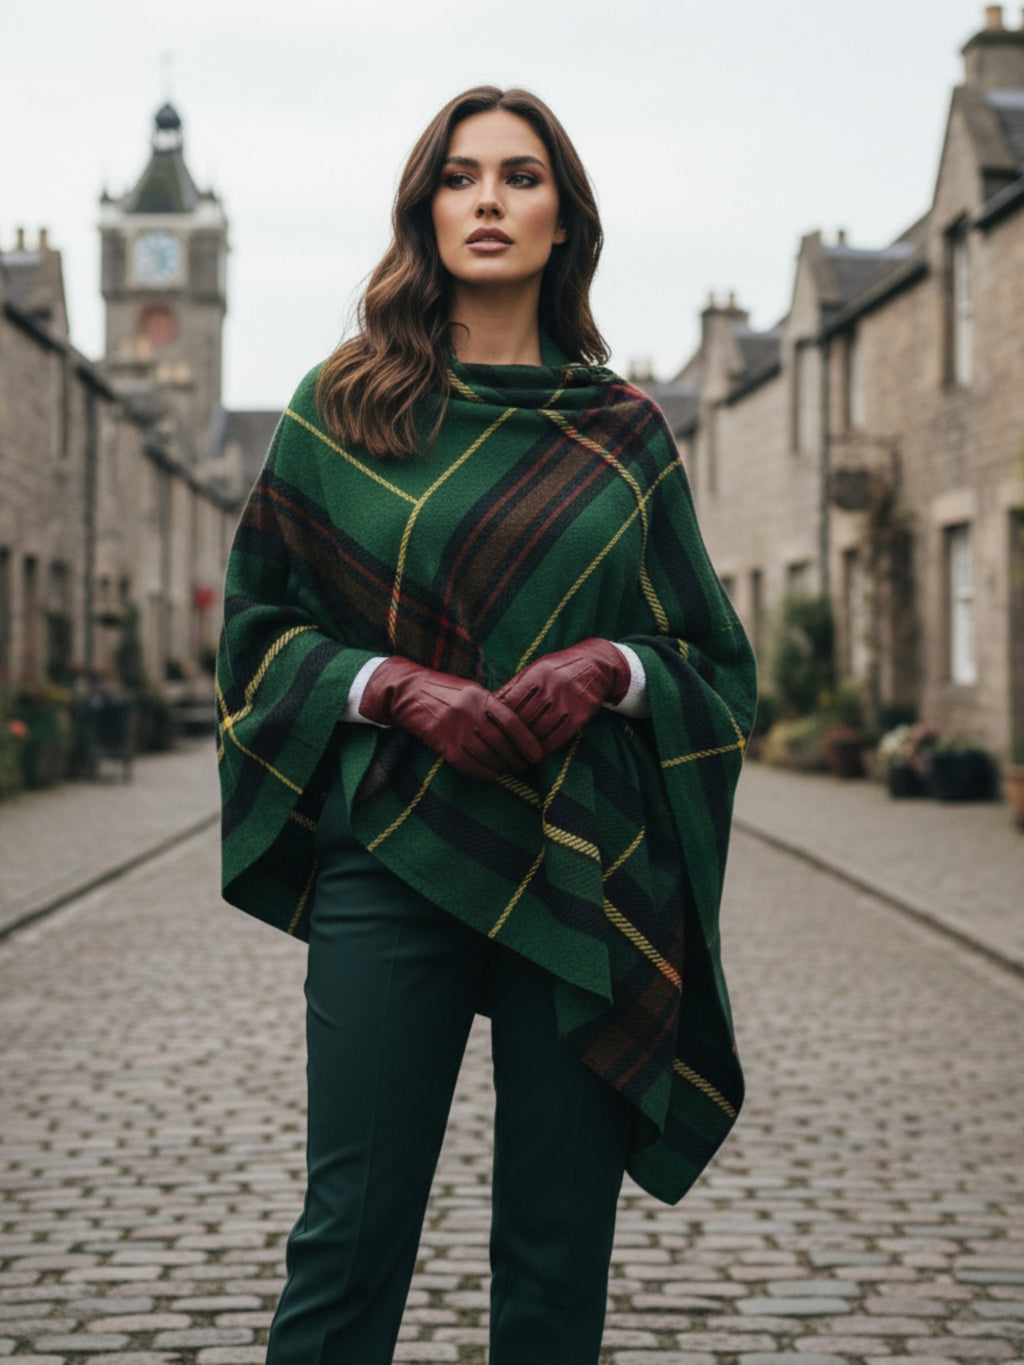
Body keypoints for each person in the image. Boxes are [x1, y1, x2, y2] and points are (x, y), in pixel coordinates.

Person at [216, 85, 757, 1365]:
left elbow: (711, 662)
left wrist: (609, 668)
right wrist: (392, 687)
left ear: (565, 218)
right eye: (460, 178)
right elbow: (255, 632)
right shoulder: (341, 407)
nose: (489, 201)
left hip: (581, 867)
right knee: (349, 1235)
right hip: (390, 852)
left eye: (520, 177)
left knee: (558, 1252)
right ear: (425, 212)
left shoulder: (624, 432)